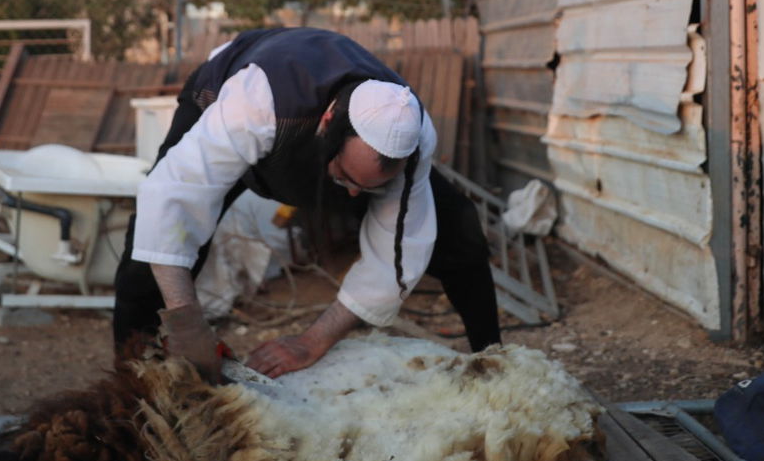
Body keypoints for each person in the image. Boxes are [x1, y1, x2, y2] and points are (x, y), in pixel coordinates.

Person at [113, 27, 502, 382]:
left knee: (459, 232)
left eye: (367, 188)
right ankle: (130, 393)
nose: (352, 197)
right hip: (232, 92)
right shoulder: (255, 104)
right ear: (329, 119)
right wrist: (188, 326)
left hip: (318, 137)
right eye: (347, 178)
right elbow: (174, 201)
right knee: (146, 253)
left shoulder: (412, 137)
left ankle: (497, 368)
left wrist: (313, 341)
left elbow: (395, 255)